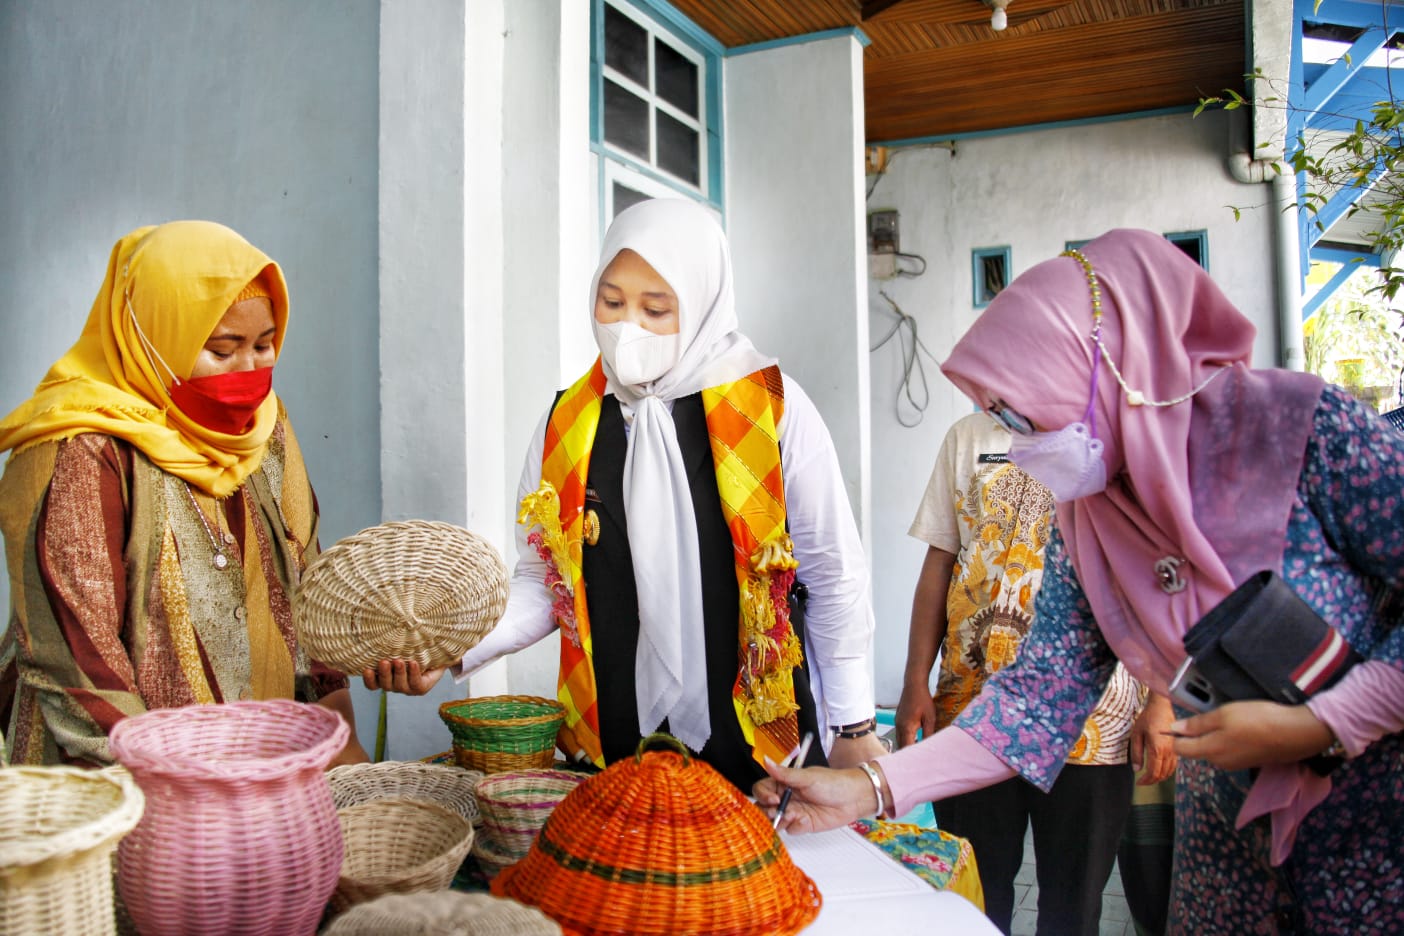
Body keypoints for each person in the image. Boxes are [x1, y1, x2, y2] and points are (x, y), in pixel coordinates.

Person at [756, 229, 1404, 934]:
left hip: (1379, 820)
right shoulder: (1093, 517)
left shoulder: (1307, 433)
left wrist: (1321, 722)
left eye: (1022, 411)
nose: (1019, 441)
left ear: (1106, 369)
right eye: (1000, 418)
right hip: (1232, 833)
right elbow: (1037, 698)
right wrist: (865, 788)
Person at [372, 198, 885, 788]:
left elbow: (833, 574)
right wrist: (451, 645)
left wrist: (853, 727)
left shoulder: (771, 409)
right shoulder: (569, 421)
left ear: (700, 304)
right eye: (611, 302)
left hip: (759, 744)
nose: (626, 326)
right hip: (617, 734)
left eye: (655, 308)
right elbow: (545, 581)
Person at [0, 220, 368, 768]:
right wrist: (183, 791)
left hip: (256, 772)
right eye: (221, 350)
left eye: (265, 345)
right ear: (152, 337)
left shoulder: (262, 426)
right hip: (116, 786)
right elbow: (76, 660)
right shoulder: (79, 448)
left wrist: (341, 744)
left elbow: (304, 584)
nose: (248, 370)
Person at [898, 411, 1175, 935]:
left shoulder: (1121, 437)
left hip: (1092, 723)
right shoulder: (968, 436)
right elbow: (940, 562)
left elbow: (1160, 576)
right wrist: (917, 680)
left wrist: (1160, 700)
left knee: (1072, 907)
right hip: (974, 715)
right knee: (975, 901)